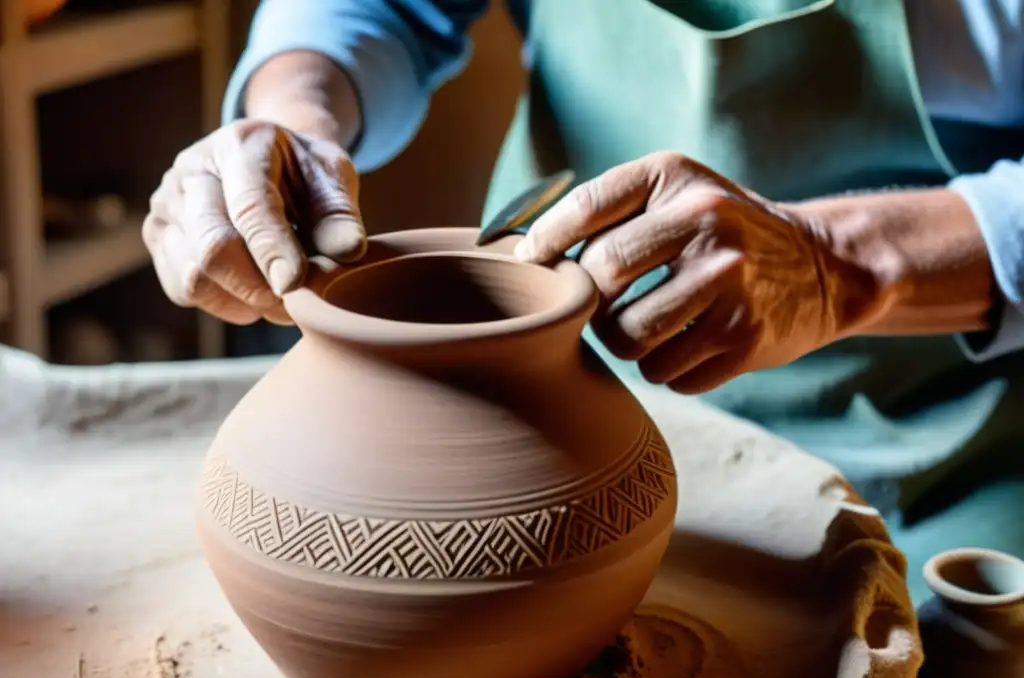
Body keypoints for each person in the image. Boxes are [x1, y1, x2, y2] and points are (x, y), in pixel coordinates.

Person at [142, 0, 1024, 605]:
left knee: (952, 661)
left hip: (934, 432)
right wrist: (294, 118)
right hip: (576, 394)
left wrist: (840, 264)